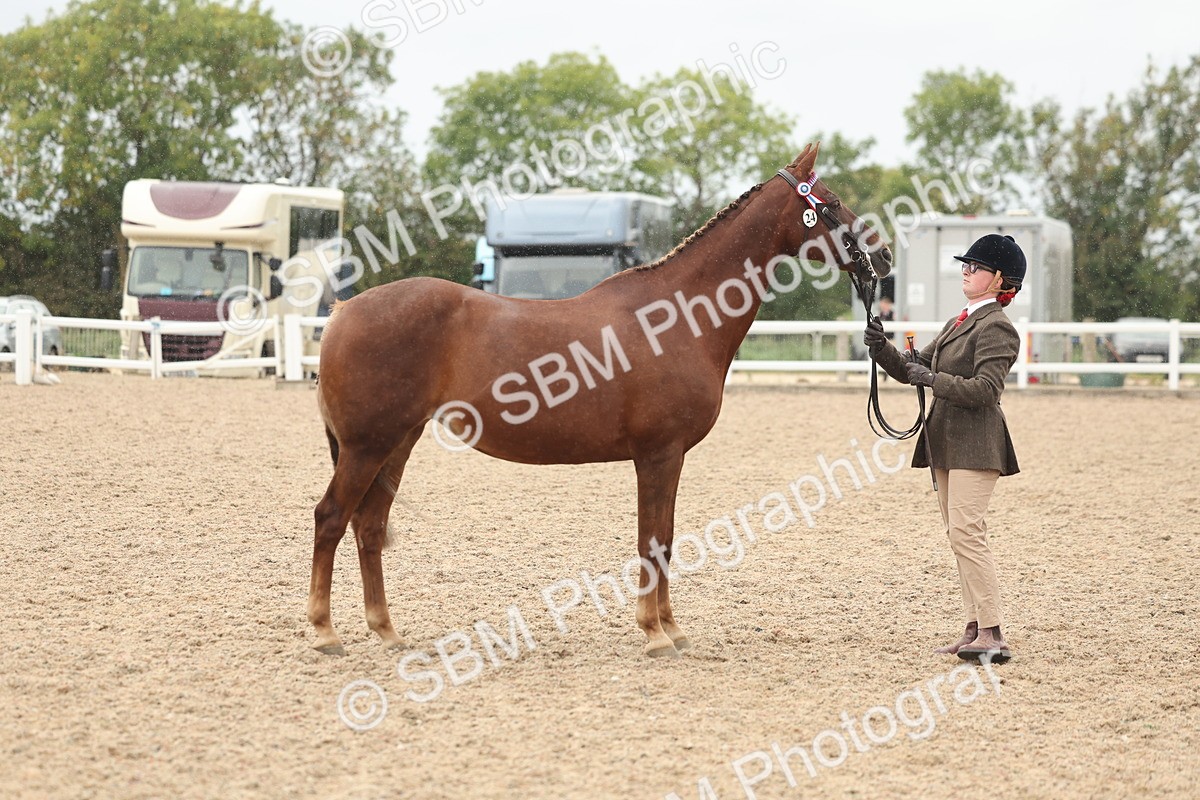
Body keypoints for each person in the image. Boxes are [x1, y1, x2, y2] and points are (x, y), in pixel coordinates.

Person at [863, 234, 1025, 664]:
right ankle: (972, 627)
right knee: (958, 537)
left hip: (977, 443)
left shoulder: (998, 328)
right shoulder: (959, 321)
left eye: (975, 266)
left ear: (998, 280)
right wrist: (883, 349)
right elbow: (914, 368)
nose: (966, 270)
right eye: (966, 264)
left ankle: (992, 631)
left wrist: (932, 380)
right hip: (946, 440)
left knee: (968, 533)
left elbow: (986, 391)